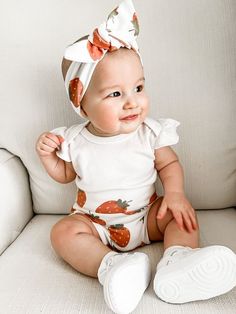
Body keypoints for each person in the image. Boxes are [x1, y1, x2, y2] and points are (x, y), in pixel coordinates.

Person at [36, 0, 236, 313]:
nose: (133, 103)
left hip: (147, 217)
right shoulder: (74, 140)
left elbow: (169, 163)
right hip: (95, 224)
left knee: (182, 214)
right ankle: (112, 267)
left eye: (138, 87)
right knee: (62, 233)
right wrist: (49, 157)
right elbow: (66, 175)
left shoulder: (150, 133)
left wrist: (175, 194)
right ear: (82, 105)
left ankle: (177, 262)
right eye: (115, 94)